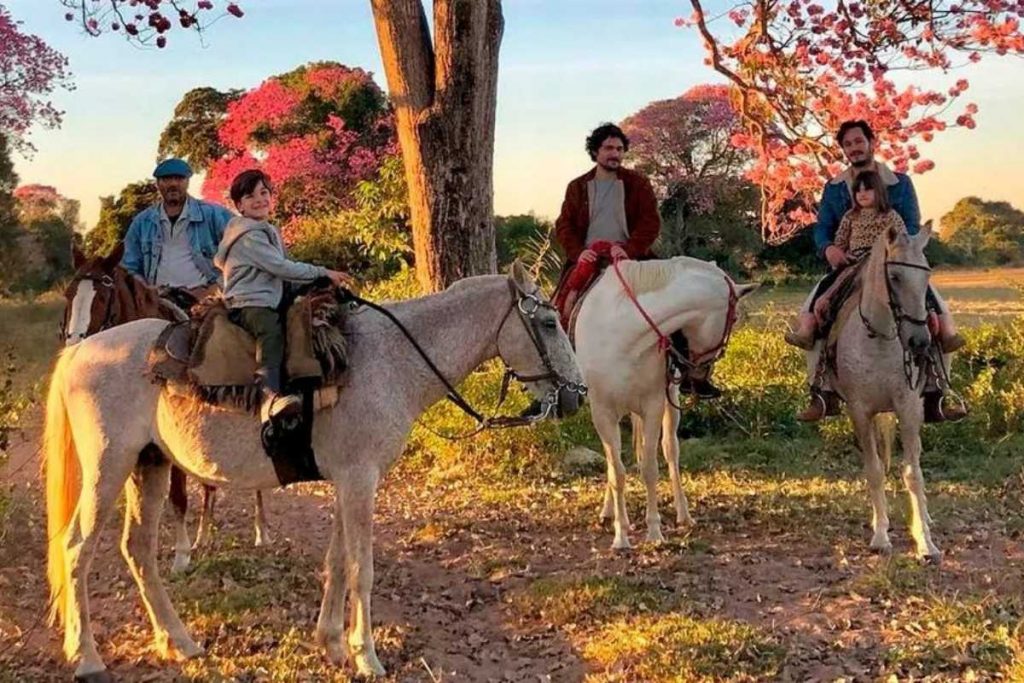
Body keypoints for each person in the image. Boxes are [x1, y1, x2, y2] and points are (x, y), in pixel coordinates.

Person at [788, 120, 966, 422]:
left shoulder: (900, 183)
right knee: (818, 302)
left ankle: (937, 392)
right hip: (851, 262)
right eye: (848, 144)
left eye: (859, 141)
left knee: (930, 302)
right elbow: (824, 228)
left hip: (892, 261)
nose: (854, 148)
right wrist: (829, 249)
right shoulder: (834, 188)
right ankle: (821, 393)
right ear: (843, 149)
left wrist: (894, 252)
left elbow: (910, 224)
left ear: (872, 142)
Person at [553, 122, 721, 399]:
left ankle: (690, 376)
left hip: (632, 260)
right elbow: (564, 226)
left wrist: (629, 248)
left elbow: (650, 223)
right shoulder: (577, 187)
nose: (614, 154)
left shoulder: (637, 184)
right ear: (595, 151)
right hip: (590, 259)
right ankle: (561, 383)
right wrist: (577, 252)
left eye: (619, 149)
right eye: (608, 148)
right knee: (559, 309)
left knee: (670, 306)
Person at [214, 169, 353, 424]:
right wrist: (321, 271)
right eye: (250, 196)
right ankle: (269, 395)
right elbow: (281, 267)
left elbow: (284, 270)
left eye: (264, 193)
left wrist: (316, 282)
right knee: (271, 330)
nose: (259, 199)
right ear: (239, 206)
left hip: (268, 296)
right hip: (250, 302)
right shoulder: (249, 236)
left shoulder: (266, 230)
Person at [122, 158, 232, 297]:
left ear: (187, 181)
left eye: (179, 178)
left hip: (204, 300)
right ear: (157, 184)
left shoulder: (214, 214)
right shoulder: (142, 222)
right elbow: (128, 267)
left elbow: (240, 257)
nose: (173, 184)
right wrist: (147, 291)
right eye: (166, 179)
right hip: (158, 302)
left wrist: (214, 289)